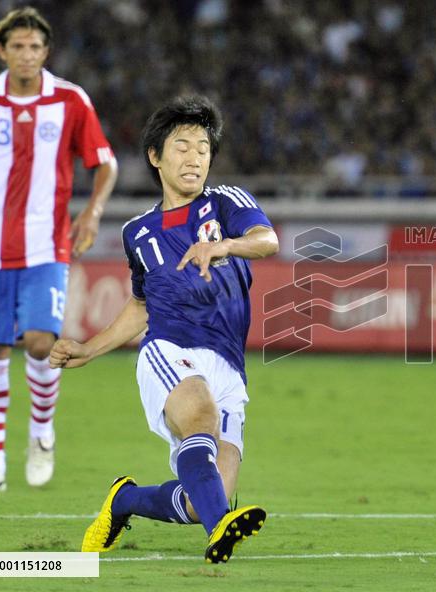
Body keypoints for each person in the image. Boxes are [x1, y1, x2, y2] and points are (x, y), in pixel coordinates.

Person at [49, 95, 278, 563]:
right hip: (170, 348)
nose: (195, 157)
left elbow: (268, 241)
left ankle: (125, 501)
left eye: (203, 148)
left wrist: (226, 246)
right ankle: (221, 531)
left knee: (201, 497)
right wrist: (90, 350)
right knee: (199, 416)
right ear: (155, 156)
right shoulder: (139, 232)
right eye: (182, 146)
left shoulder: (227, 203)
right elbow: (141, 305)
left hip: (229, 364)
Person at [0, 7, 118, 492]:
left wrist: (93, 213)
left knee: (41, 342)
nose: (27, 55)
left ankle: (41, 434)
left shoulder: (69, 100)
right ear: (2, 51)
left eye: (35, 47)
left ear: (46, 52)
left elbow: (105, 164)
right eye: (17, 46)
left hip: (47, 246)